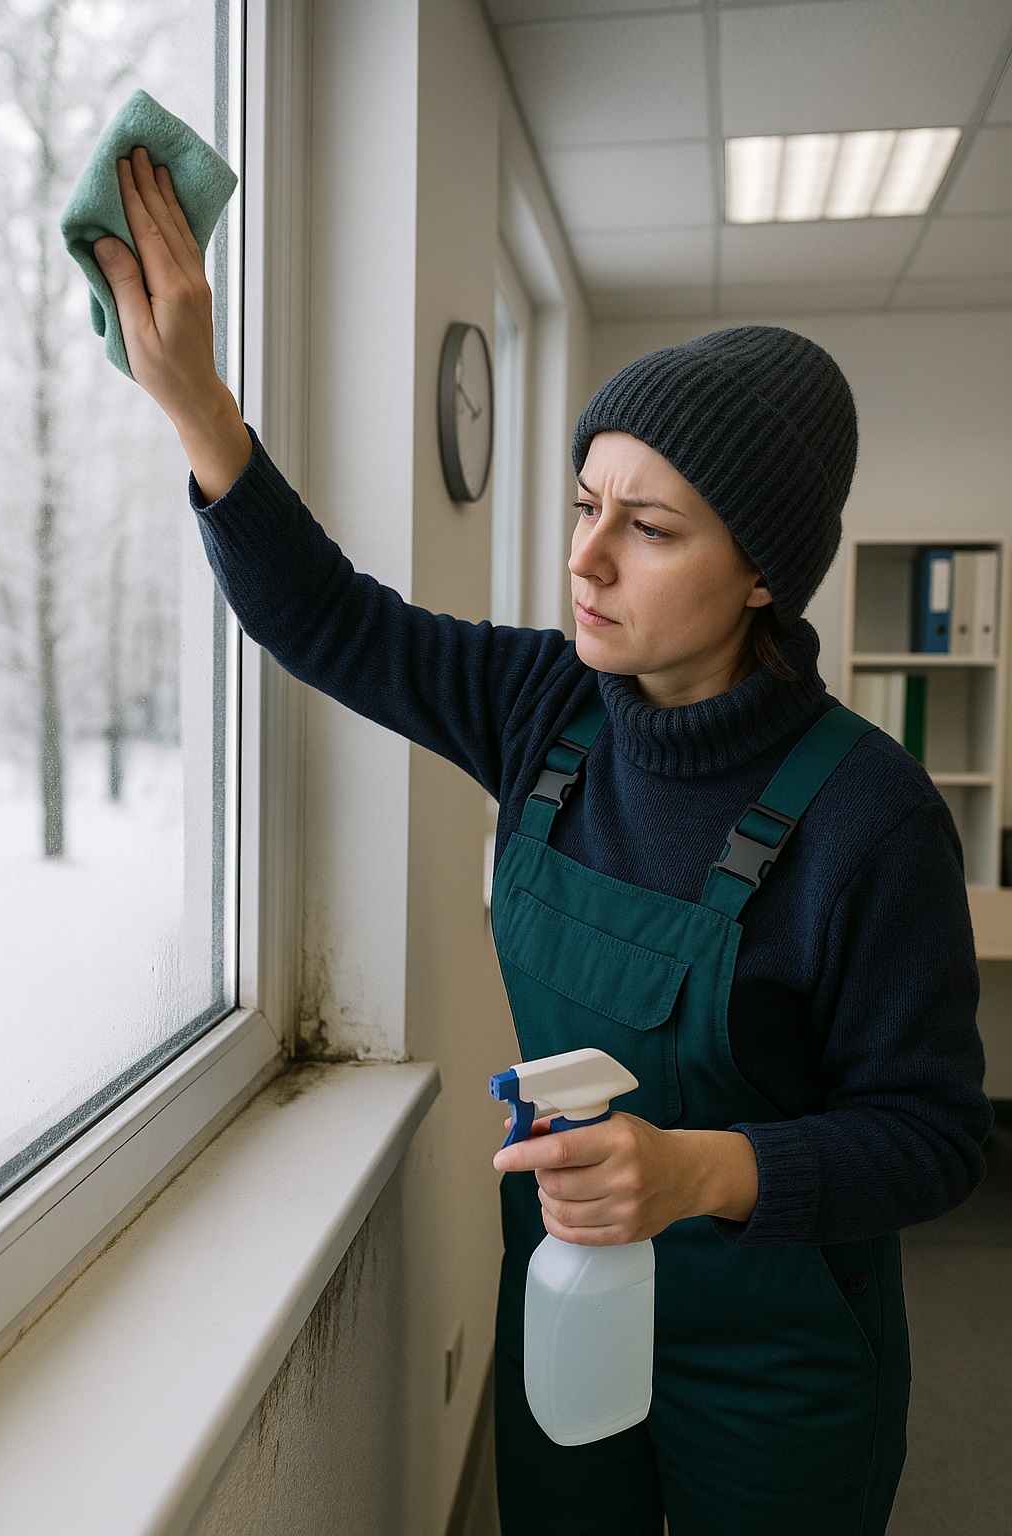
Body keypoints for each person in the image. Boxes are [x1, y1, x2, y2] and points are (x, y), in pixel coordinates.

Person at [94, 149, 992, 1536]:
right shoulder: (544, 712)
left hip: (777, 1372)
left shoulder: (871, 819)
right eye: (586, 506)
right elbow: (328, 618)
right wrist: (196, 400)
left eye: (647, 527)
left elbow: (934, 1140)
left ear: (763, 572)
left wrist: (695, 1170)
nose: (587, 559)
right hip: (571, 1312)